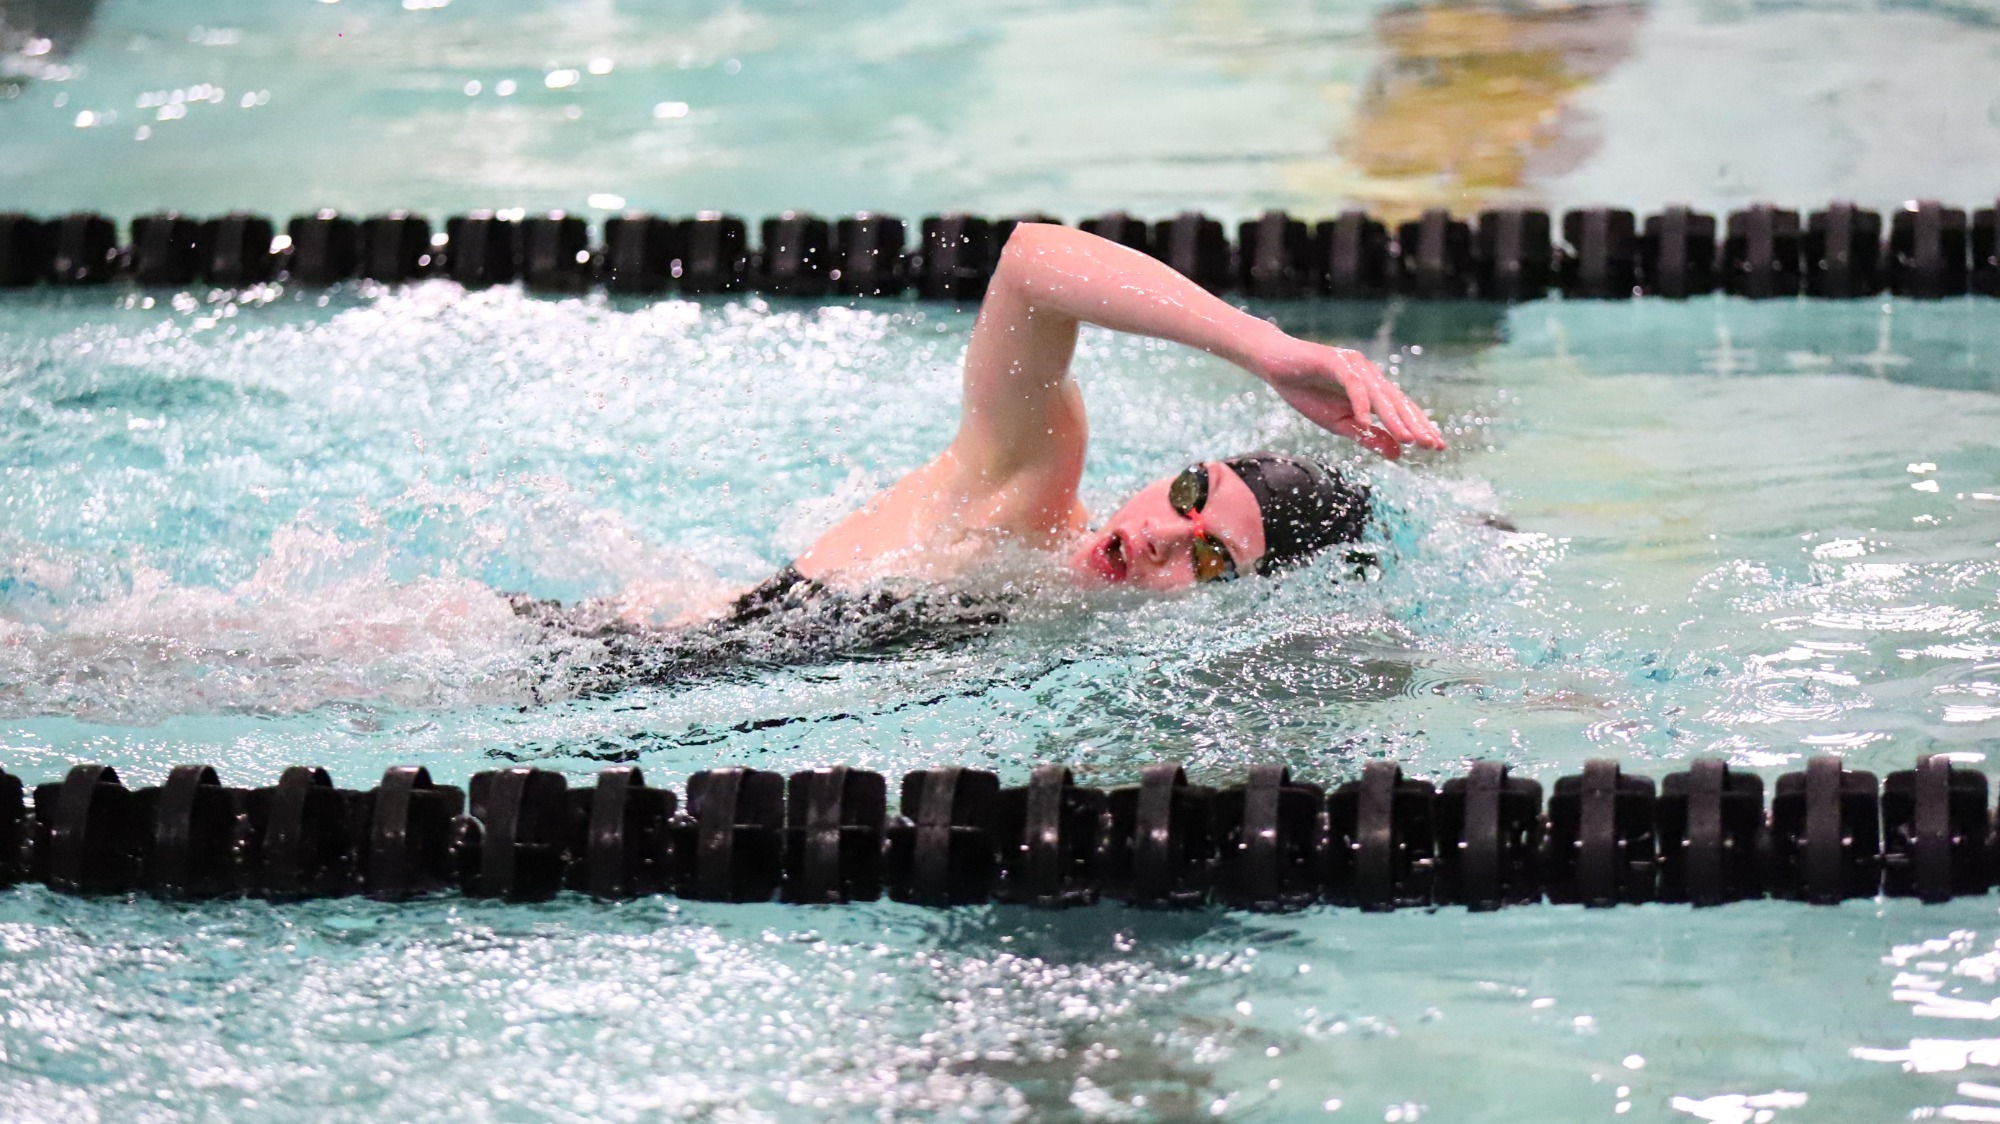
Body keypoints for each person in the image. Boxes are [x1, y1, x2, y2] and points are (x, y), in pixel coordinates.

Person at [521, 222, 1447, 689]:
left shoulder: (1070, 638)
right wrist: (1266, 351)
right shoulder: (1023, 493)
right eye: (1190, 493)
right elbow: (1031, 262)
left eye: (1209, 558)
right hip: (554, 656)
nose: (1162, 534)